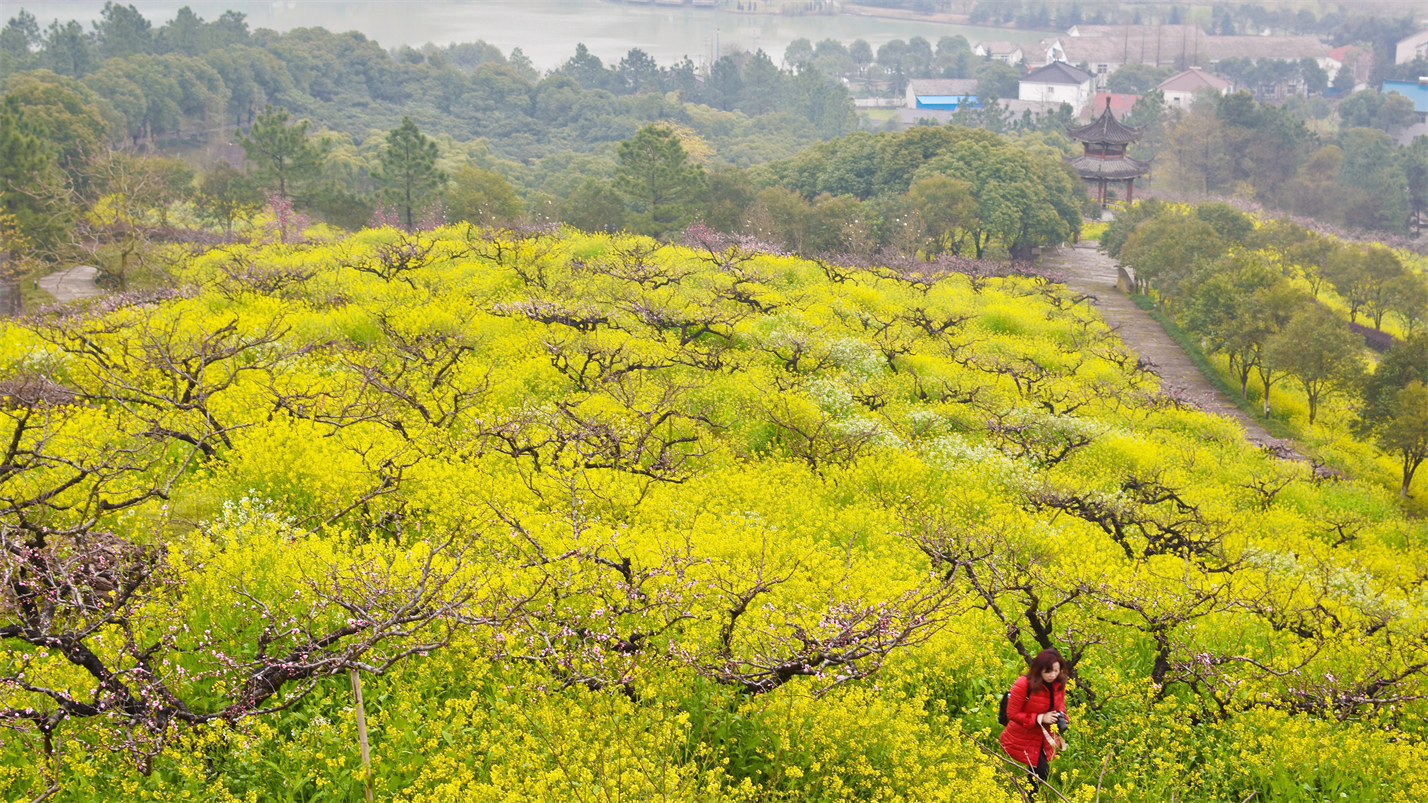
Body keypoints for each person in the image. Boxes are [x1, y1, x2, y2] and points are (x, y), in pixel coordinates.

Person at [999, 648, 1067, 792]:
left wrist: (1062, 718)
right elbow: (1012, 713)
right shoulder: (1024, 684)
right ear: (1038, 669)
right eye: (1047, 671)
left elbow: (1060, 705)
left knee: (1039, 770)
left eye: (1056, 670)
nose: (1052, 675)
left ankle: (1029, 795)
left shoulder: (1058, 683)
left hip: (1045, 736)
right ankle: (1029, 797)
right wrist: (1040, 718)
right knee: (1042, 771)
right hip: (1023, 735)